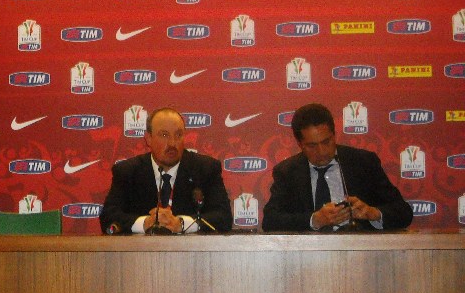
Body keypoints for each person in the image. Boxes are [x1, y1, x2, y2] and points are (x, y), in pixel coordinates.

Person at [262, 103, 413, 232]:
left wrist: (374, 213)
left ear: (334, 135)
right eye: (312, 146)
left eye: (326, 142)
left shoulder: (363, 163)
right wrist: (314, 220)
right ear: (300, 144)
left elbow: (404, 213)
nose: (321, 151)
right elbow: (270, 221)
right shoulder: (287, 172)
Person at [100, 107, 232, 234]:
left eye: (178, 134)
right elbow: (108, 218)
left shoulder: (205, 169)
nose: (172, 143)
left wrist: (182, 224)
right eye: (164, 135)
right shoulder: (128, 172)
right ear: (149, 138)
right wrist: (145, 223)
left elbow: (223, 217)